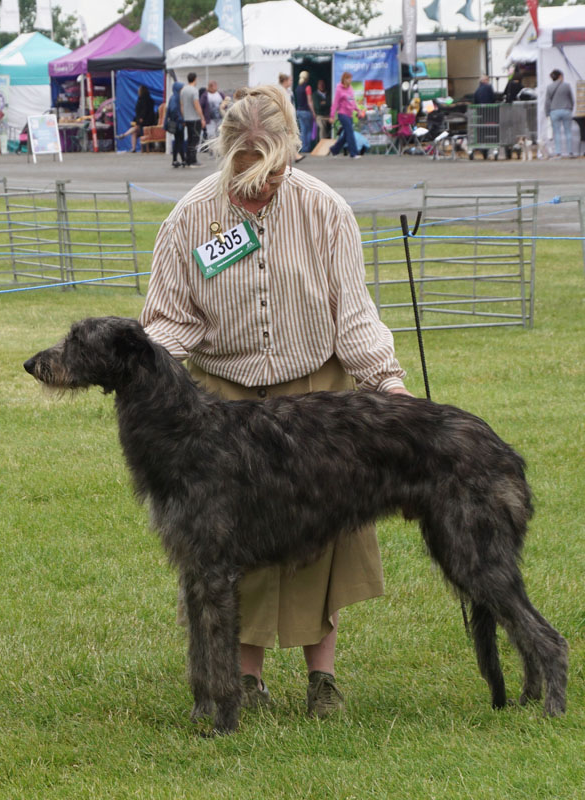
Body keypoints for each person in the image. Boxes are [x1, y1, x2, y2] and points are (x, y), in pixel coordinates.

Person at [139, 84, 410, 719]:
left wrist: (390, 386)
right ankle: (247, 681)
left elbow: (354, 316)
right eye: (245, 175)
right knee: (231, 543)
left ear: (290, 154)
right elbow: (169, 320)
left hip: (318, 396)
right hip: (227, 406)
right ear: (223, 153)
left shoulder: (326, 211)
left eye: (274, 174)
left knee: (325, 536)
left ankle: (324, 683)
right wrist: (146, 370)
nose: (258, 189)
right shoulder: (188, 220)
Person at [329, 72, 362, 159]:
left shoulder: (350, 88)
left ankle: (334, 149)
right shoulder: (339, 89)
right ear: (344, 79)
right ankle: (354, 153)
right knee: (350, 132)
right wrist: (332, 116)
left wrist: (358, 110)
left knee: (346, 134)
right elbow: (335, 103)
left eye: (351, 78)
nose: (350, 80)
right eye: (348, 78)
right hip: (342, 114)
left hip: (350, 114)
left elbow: (353, 101)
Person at [116, 84, 156, 152]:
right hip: (145, 120)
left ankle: (124, 135)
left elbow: (144, 110)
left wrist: (141, 118)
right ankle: (133, 148)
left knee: (136, 128)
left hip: (145, 121)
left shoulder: (143, 100)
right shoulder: (148, 100)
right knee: (134, 132)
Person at [545, 69, 575, 158]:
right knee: (568, 132)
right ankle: (570, 152)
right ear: (560, 76)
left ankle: (558, 152)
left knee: (557, 133)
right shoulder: (567, 86)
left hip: (554, 111)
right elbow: (571, 99)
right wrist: (571, 108)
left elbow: (547, 102)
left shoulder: (549, 87)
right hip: (566, 110)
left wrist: (547, 113)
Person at [180, 72, 206, 167]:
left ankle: (188, 159)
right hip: (195, 118)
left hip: (187, 118)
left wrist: (184, 117)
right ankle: (193, 160)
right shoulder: (194, 91)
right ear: (195, 79)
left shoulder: (183, 90)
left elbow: (182, 105)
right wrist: (202, 117)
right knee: (195, 139)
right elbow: (196, 105)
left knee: (190, 138)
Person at [279, 72, 305, 163]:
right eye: (290, 80)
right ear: (285, 81)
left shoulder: (289, 91)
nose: (291, 82)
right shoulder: (280, 91)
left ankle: (293, 155)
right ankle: (295, 155)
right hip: (285, 118)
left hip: (291, 117)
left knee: (289, 137)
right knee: (288, 137)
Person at [165, 81, 186, 167]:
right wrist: (181, 119)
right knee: (179, 141)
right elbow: (173, 111)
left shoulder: (174, 97)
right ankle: (178, 160)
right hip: (178, 124)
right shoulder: (175, 98)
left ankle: (181, 159)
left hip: (178, 123)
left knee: (178, 141)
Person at [295, 70, 315, 153]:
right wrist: (313, 112)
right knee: (309, 130)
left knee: (303, 130)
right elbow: (309, 101)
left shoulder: (297, 88)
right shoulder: (308, 87)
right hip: (306, 111)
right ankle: (307, 148)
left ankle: (303, 148)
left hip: (299, 111)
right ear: (307, 78)